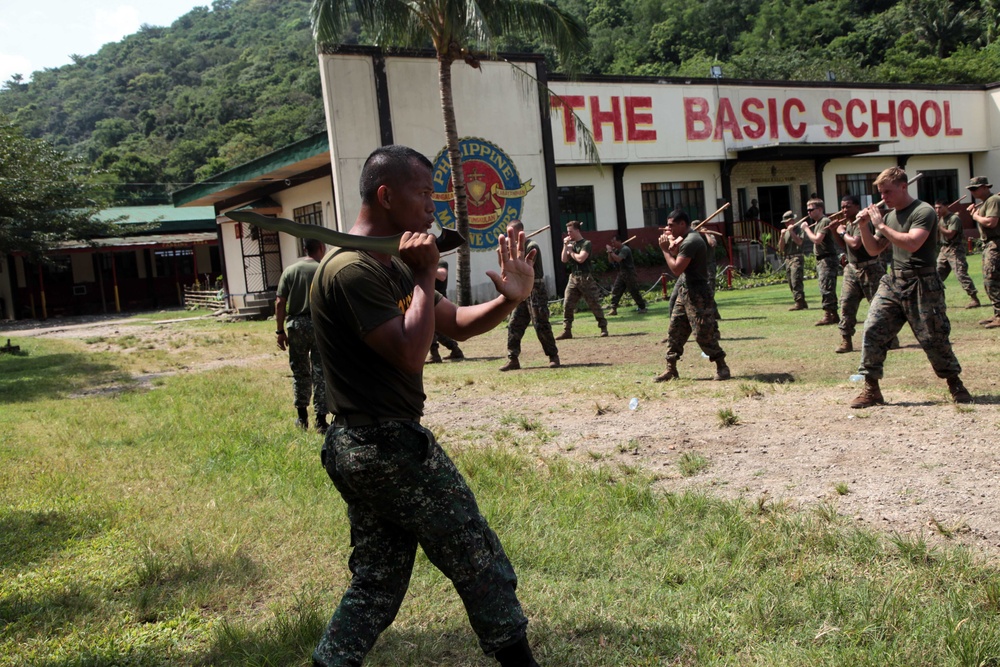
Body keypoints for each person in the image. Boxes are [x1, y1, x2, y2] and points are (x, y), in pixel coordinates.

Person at [309, 145, 541, 667]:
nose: (433, 208)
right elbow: (414, 355)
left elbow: (454, 323)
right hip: (385, 445)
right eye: (423, 194)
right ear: (387, 195)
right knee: (478, 562)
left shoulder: (386, 265)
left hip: (365, 445)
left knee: (377, 579)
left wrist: (510, 299)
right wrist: (422, 273)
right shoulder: (352, 270)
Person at [850, 167, 971, 408]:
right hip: (893, 281)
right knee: (873, 329)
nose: (883, 197)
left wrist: (880, 225)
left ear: (903, 187)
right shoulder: (890, 216)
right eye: (881, 192)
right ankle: (871, 388)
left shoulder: (924, 211)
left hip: (922, 283)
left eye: (888, 191)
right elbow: (874, 249)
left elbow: (914, 243)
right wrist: (864, 226)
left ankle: (954, 383)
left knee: (933, 337)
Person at [655, 209, 730, 382]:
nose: (668, 229)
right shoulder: (686, 239)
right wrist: (671, 246)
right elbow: (679, 256)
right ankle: (671, 369)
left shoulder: (693, 241)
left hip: (697, 293)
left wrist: (665, 250)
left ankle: (722, 366)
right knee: (675, 330)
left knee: (703, 333)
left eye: (671, 225)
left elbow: (676, 269)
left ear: (682, 224)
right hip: (685, 290)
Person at [275, 238, 328, 433]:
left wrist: (280, 331)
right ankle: (321, 420)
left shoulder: (290, 270)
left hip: (296, 325)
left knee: (300, 371)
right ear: (321, 247)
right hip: (320, 324)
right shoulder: (324, 269)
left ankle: (302, 417)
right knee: (321, 371)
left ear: (304, 249)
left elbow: (280, 302)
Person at [830, 194, 891, 354]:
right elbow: (845, 245)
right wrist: (835, 232)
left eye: (848, 206)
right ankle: (846, 340)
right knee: (846, 305)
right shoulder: (849, 224)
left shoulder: (861, 223)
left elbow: (856, 244)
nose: (844, 209)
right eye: (842, 206)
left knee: (878, 306)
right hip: (852, 269)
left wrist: (842, 232)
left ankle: (889, 337)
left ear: (857, 207)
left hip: (869, 269)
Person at [500, 220, 560, 371]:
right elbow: (506, 271)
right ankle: (513, 358)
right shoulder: (510, 249)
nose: (508, 236)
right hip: (521, 290)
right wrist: (504, 254)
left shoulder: (532, 247)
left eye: (510, 233)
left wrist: (510, 253)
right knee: (514, 324)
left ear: (519, 232)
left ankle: (553, 356)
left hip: (535, 289)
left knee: (541, 323)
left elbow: (525, 268)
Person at [556, 220, 608, 339]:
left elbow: (581, 259)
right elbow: (563, 260)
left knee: (594, 303)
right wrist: (565, 246)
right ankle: (567, 330)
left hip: (585, 278)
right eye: (567, 232)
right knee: (567, 304)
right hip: (573, 277)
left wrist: (571, 251)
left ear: (577, 230)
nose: (568, 234)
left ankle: (603, 327)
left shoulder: (586, 243)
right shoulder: (570, 244)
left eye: (571, 231)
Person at [800, 198, 840, 326]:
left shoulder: (824, 221)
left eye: (811, 209)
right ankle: (834, 315)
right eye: (807, 210)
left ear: (820, 209)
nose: (809, 212)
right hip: (822, 259)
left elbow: (817, 240)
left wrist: (806, 229)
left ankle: (828, 315)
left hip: (827, 259)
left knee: (826, 287)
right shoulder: (818, 223)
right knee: (826, 287)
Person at [966, 176, 1000, 328]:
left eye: (975, 188)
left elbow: (991, 222)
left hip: (996, 244)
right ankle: (997, 314)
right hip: (989, 244)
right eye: (971, 189)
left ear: (986, 187)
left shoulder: (993, 200)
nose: (973, 191)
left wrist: (975, 216)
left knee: (992, 280)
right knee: (991, 281)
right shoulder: (985, 203)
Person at [935, 199, 981, 310]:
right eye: (935, 207)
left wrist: (938, 226)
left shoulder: (954, 219)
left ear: (946, 206)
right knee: (936, 275)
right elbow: (938, 237)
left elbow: (950, 234)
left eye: (940, 207)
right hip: (944, 249)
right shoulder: (941, 219)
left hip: (955, 249)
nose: (937, 210)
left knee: (961, 274)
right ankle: (935, 300)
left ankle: (974, 299)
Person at [428, 260, 465, 362]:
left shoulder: (441, 263)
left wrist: (426, 266)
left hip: (438, 301)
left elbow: (442, 276)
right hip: (426, 299)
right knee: (437, 330)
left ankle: (435, 354)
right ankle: (455, 350)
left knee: (430, 328)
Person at [606, 235, 647, 316]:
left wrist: (611, 252)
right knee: (616, 291)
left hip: (629, 273)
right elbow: (611, 261)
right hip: (621, 273)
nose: (613, 244)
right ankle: (613, 309)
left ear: (619, 241)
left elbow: (618, 259)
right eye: (612, 242)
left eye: (614, 242)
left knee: (634, 291)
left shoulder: (625, 249)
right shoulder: (617, 250)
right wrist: (609, 253)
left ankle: (642, 307)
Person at [778, 210, 808, 310]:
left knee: (796, 280)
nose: (786, 224)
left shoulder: (799, 230)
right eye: (785, 223)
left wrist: (791, 232)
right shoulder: (785, 232)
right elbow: (781, 249)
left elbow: (799, 242)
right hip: (788, 259)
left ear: (792, 221)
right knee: (791, 282)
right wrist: (782, 236)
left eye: (788, 222)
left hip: (797, 257)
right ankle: (802, 302)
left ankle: (799, 303)